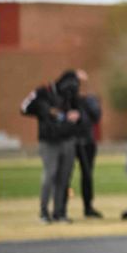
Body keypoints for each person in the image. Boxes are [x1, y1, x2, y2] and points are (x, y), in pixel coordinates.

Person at [19, 69, 83, 224]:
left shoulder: (71, 95)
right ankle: (43, 212)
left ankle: (60, 213)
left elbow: (79, 112)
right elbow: (24, 107)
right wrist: (45, 111)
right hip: (49, 141)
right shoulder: (43, 92)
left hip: (67, 139)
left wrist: (76, 115)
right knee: (50, 175)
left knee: (64, 177)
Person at [74, 83, 104, 219]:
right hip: (70, 140)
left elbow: (96, 116)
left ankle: (88, 207)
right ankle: (59, 208)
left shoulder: (89, 100)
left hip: (87, 141)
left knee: (87, 174)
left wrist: (84, 101)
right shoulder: (66, 100)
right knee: (64, 175)